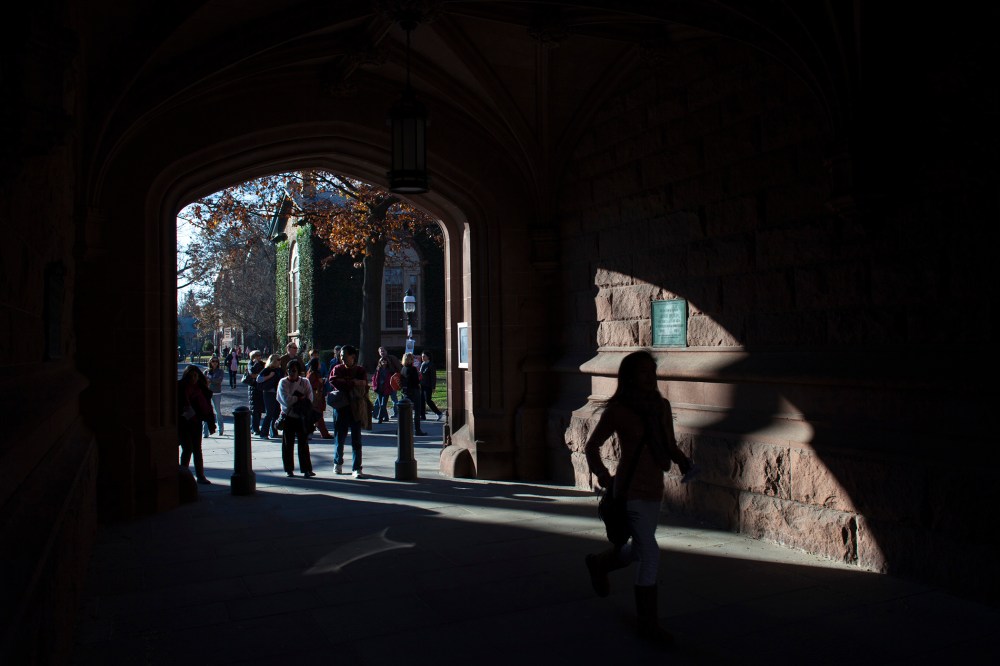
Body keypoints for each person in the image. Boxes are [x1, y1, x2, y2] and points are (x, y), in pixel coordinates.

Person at [583, 350, 694, 645]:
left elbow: (668, 445)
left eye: (652, 371)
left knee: (639, 550)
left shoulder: (661, 406)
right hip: (629, 490)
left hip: (653, 487)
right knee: (651, 553)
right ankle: (648, 624)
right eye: (644, 372)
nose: (650, 377)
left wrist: (682, 459)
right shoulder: (619, 409)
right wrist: (605, 478)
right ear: (630, 376)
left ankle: (600, 564)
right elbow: (592, 446)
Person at [329, 344, 368, 478]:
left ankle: (357, 467)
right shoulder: (337, 369)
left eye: (344, 356)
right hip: (341, 408)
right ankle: (337, 463)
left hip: (356, 408)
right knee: (339, 439)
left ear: (353, 356)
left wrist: (346, 382)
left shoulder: (360, 370)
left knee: (356, 440)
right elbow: (334, 382)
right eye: (340, 356)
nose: (342, 359)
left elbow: (364, 387)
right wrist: (353, 383)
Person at [276, 359, 315, 478]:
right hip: (288, 416)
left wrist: (298, 398)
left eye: (293, 371)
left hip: (301, 416)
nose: (291, 373)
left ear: (298, 371)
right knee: (288, 444)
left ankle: (306, 469)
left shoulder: (305, 382)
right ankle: (288, 468)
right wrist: (298, 398)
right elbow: (285, 400)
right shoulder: (283, 382)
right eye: (288, 370)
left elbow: (310, 398)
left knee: (303, 444)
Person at [178, 364, 215, 484]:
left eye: (196, 375)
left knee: (197, 449)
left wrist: (210, 422)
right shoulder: (181, 388)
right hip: (183, 423)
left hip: (196, 422)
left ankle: (200, 476)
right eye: (191, 376)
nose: (194, 378)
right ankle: (182, 474)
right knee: (187, 449)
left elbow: (207, 407)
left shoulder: (201, 389)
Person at [256, 353, 283, 439]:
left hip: (277, 393)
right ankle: (264, 432)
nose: (280, 361)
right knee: (269, 413)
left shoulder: (279, 370)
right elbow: (258, 379)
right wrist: (269, 376)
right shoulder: (267, 369)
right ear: (274, 361)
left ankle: (273, 431)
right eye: (278, 359)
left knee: (276, 413)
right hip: (269, 393)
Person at [399, 352, 427, 436]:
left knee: (406, 412)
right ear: (411, 360)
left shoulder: (403, 369)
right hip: (414, 391)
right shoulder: (413, 369)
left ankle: (402, 429)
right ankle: (417, 430)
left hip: (405, 391)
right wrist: (419, 378)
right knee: (417, 411)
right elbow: (416, 381)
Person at [306, 357, 334, 439]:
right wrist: (323, 381)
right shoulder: (314, 374)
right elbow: (317, 383)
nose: (320, 365)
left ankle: (320, 432)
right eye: (318, 363)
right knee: (318, 415)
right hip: (316, 396)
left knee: (315, 415)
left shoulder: (310, 373)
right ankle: (323, 433)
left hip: (315, 396)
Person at [377, 346, 403, 418]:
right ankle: (381, 415)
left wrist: (397, 378)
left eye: (383, 351)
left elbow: (398, 368)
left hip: (392, 382)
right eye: (380, 351)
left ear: (386, 351)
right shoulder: (380, 360)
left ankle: (396, 413)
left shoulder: (392, 358)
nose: (382, 352)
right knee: (380, 401)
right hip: (383, 385)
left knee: (394, 398)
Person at [203, 355, 225, 437]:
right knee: (206, 412)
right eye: (213, 361)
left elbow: (219, 380)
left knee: (217, 411)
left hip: (216, 393)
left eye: (216, 361)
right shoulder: (206, 371)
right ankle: (205, 432)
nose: (215, 363)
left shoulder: (220, 371)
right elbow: (202, 380)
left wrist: (210, 380)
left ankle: (220, 429)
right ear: (210, 362)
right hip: (207, 393)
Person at [419, 351, 444, 421]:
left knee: (428, 400)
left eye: (424, 356)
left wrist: (433, 387)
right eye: (422, 356)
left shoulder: (431, 365)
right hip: (422, 385)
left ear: (428, 357)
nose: (422, 358)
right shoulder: (422, 364)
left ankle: (438, 413)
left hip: (428, 385)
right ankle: (422, 415)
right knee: (421, 400)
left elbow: (433, 377)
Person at [246, 350, 265, 435]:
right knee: (255, 409)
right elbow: (252, 373)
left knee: (259, 409)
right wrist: (256, 364)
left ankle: (254, 426)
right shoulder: (250, 363)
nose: (259, 357)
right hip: (253, 388)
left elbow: (264, 372)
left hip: (260, 388)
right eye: (257, 355)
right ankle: (255, 428)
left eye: (260, 355)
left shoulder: (262, 364)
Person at [371, 354, 393, 424]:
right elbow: (374, 379)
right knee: (381, 405)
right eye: (382, 361)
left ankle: (380, 419)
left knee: (383, 404)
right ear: (380, 362)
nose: (384, 362)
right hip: (379, 389)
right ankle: (386, 417)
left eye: (385, 361)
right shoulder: (378, 370)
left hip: (386, 389)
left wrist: (391, 389)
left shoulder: (389, 370)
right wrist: (374, 387)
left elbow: (392, 380)